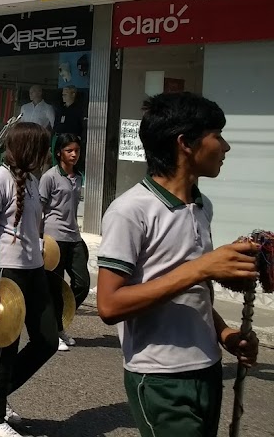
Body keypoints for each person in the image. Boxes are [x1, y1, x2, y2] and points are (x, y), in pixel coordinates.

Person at [97, 92, 259, 437]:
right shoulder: (131, 211)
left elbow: (193, 292)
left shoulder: (202, 206)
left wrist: (223, 332)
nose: (225, 147)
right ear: (185, 143)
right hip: (159, 378)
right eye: (217, 135)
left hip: (208, 368)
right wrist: (201, 268)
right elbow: (109, 305)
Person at [0, 122, 57, 437]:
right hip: (7, 272)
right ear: (27, 148)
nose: (45, 154)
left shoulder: (33, 180)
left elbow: (33, 230)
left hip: (34, 270)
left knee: (48, 340)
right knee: (5, 345)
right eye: (41, 148)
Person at [40, 132, 88, 352]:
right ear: (59, 152)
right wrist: (38, 238)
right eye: (69, 150)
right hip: (54, 237)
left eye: (77, 150)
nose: (74, 154)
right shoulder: (50, 176)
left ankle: (60, 319)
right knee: (54, 286)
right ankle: (56, 330)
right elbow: (39, 209)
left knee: (82, 283)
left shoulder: (78, 177)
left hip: (74, 237)